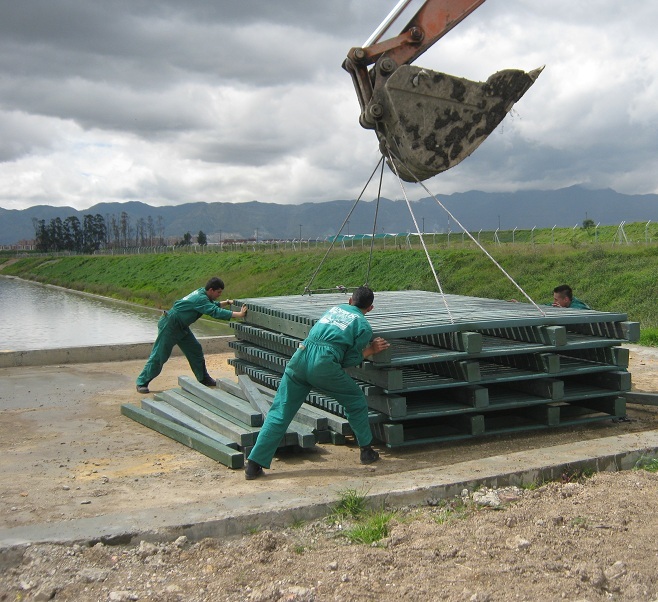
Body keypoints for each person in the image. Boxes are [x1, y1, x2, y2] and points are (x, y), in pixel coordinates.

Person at [244, 285, 390, 480]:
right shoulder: (363, 326)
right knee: (355, 401)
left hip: (300, 358)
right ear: (370, 308)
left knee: (279, 412)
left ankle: (253, 465)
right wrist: (370, 350)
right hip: (323, 365)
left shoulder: (334, 309)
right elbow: (347, 361)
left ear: (349, 300)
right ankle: (366, 451)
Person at [136, 277, 247, 394]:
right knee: (160, 355)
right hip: (170, 325)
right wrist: (239, 314)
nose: (219, 295)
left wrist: (227, 302)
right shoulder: (200, 298)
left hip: (181, 326)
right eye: (218, 292)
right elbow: (214, 311)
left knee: (195, 350)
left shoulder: (202, 293)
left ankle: (203, 379)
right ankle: (142, 382)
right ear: (211, 290)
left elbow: (211, 305)